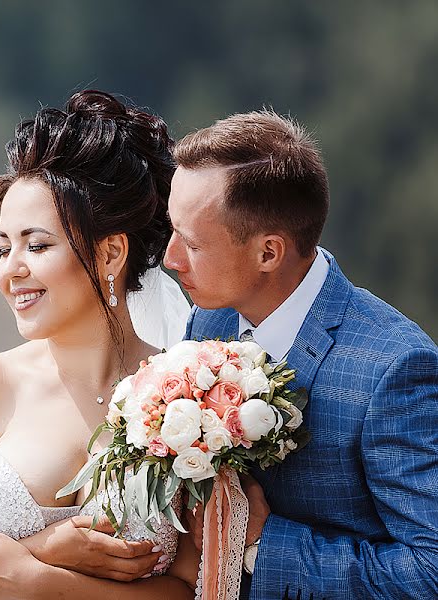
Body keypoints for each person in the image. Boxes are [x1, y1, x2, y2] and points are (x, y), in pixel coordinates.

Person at [0, 90, 199, 599]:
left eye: (37, 245)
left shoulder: (188, 399)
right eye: (3, 249)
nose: (9, 272)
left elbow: (188, 589)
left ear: (111, 251)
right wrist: (43, 548)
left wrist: (37, 580)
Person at [164, 110, 438, 599]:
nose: (170, 258)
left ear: (269, 253)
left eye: (191, 242)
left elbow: (431, 570)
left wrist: (263, 545)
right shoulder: (210, 319)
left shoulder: (394, 368)